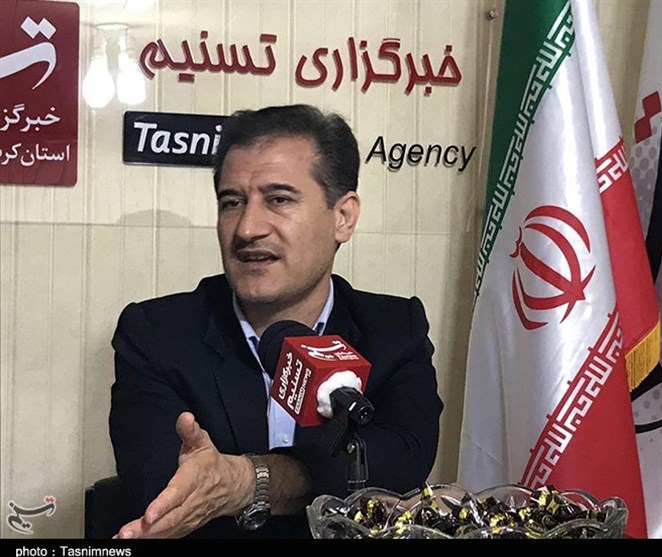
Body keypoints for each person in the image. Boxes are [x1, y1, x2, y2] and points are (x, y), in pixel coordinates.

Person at [109, 104, 443, 539]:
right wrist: (305, 479)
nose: (247, 228)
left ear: (343, 217)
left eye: (279, 199)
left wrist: (250, 482)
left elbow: (402, 462)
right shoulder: (157, 334)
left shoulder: (394, 328)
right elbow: (161, 489)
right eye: (232, 202)